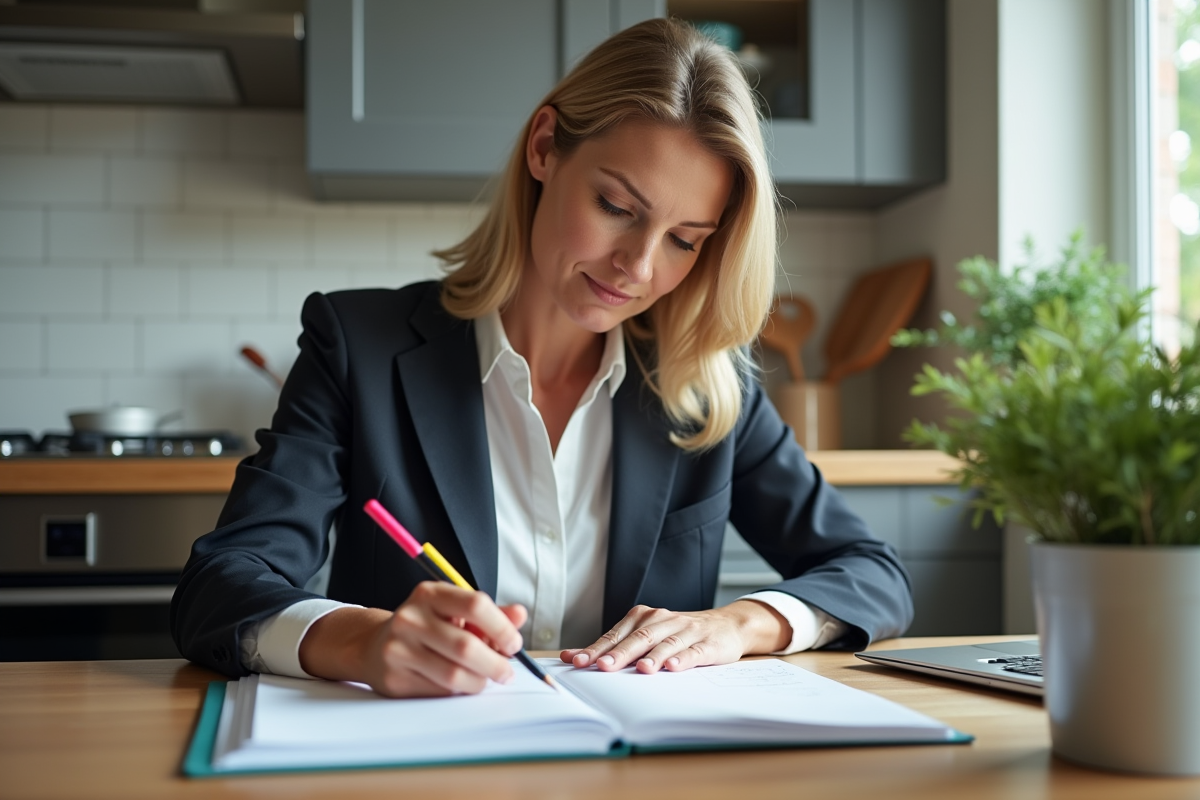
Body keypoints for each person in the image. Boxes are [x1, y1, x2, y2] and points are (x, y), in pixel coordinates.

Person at [170, 18, 912, 698]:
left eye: (685, 239)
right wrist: (362, 639)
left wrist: (740, 625)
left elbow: (874, 574)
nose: (638, 266)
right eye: (618, 207)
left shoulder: (708, 386)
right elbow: (220, 588)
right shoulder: (357, 344)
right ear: (545, 147)